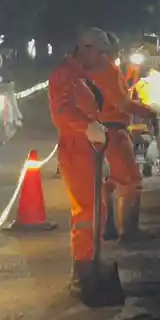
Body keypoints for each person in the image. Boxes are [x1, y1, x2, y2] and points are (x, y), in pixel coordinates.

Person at [48, 28, 113, 297]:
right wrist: (87, 127)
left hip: (87, 152)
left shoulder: (80, 78)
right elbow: (63, 111)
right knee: (87, 213)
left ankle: (87, 267)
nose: (102, 59)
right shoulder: (66, 75)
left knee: (96, 209)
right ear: (86, 48)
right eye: (100, 53)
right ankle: (84, 272)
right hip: (76, 152)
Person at [87, 33, 158, 240]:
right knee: (130, 181)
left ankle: (106, 228)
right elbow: (122, 103)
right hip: (113, 131)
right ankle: (129, 231)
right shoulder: (107, 69)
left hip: (95, 132)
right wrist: (148, 112)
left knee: (106, 183)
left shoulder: (86, 70)